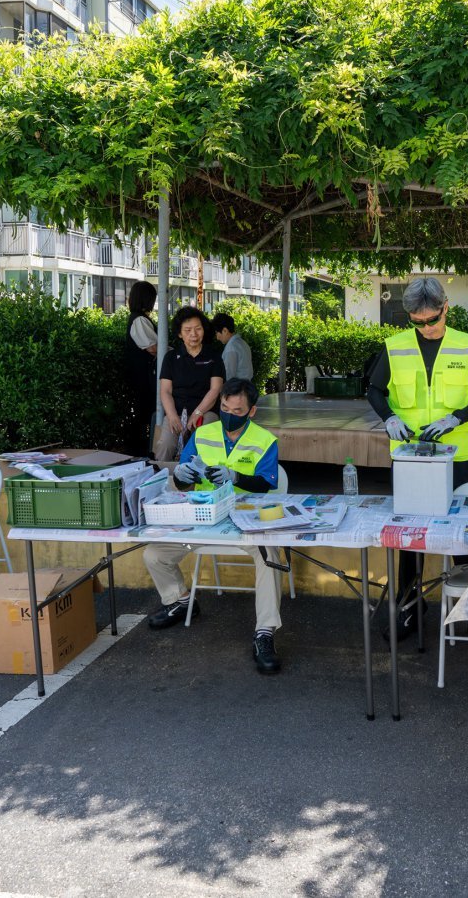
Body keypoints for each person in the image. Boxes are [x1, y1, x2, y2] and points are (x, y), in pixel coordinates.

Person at [366, 277, 468, 638]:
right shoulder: (395, 347)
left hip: (455, 458)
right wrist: (389, 418)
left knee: (461, 535)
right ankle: (408, 607)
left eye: (432, 320)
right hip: (409, 458)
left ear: (445, 308)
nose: (426, 328)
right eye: (418, 322)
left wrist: (456, 418)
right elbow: (374, 390)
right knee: (410, 537)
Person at [142, 379, 285, 674]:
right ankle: (181, 601)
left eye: (237, 410)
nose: (230, 415)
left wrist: (235, 477)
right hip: (204, 516)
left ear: (252, 411)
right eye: (225, 408)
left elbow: (266, 484)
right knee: (154, 554)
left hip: (246, 517)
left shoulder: (265, 440)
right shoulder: (202, 433)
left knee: (269, 556)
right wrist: (180, 476)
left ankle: (265, 632)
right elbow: (184, 481)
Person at [158, 305, 225, 448]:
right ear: (180, 333)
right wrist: (171, 415)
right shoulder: (170, 358)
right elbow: (165, 391)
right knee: (166, 445)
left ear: (204, 330)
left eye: (198, 329)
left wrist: (198, 412)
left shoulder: (214, 357)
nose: (193, 334)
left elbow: (215, 390)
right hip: (176, 412)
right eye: (187, 330)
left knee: (202, 442)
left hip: (206, 412)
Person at [124, 281, 160, 457]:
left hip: (141, 375)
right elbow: (152, 347)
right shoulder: (139, 319)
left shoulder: (138, 318)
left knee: (144, 413)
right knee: (144, 413)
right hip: (143, 376)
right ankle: (141, 451)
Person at [211, 313, 254, 384]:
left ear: (225, 331)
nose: (217, 338)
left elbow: (228, 377)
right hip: (245, 386)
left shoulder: (231, 348)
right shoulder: (242, 343)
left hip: (236, 388)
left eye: (216, 333)